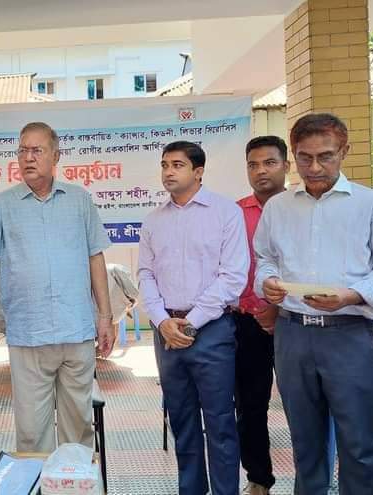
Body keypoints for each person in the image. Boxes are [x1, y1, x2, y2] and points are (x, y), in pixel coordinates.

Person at [0, 122, 115, 454]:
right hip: (28, 334)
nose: (27, 158)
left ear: (56, 156)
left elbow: (95, 257)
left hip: (75, 331)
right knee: (32, 433)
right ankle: (38, 480)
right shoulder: (2, 205)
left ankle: (73, 482)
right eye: (22, 151)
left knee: (78, 429)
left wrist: (105, 317)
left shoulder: (79, 200)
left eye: (36, 150)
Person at [254, 113, 373, 495]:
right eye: (305, 157)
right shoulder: (279, 207)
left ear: (344, 151)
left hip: (350, 335)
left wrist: (351, 295)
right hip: (293, 335)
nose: (314, 167)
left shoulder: (369, 204)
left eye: (325, 156)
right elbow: (265, 258)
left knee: (360, 443)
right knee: (305, 443)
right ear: (294, 155)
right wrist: (268, 283)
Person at [137, 140, 248, 495]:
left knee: (220, 423)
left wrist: (191, 321)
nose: (168, 172)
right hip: (167, 333)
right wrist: (161, 320)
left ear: (198, 172)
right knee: (182, 423)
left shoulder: (225, 213)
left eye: (178, 165)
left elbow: (232, 276)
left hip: (211, 331)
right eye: (164, 164)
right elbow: (145, 274)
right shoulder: (154, 220)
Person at [233, 136, 288, 495]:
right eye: (253, 165)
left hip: (294, 322)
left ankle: (313, 479)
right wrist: (257, 310)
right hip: (247, 322)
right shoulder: (234, 213)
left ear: (285, 165)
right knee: (250, 406)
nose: (261, 171)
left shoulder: (301, 209)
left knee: (305, 405)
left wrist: (278, 309)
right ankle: (259, 479)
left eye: (269, 163)